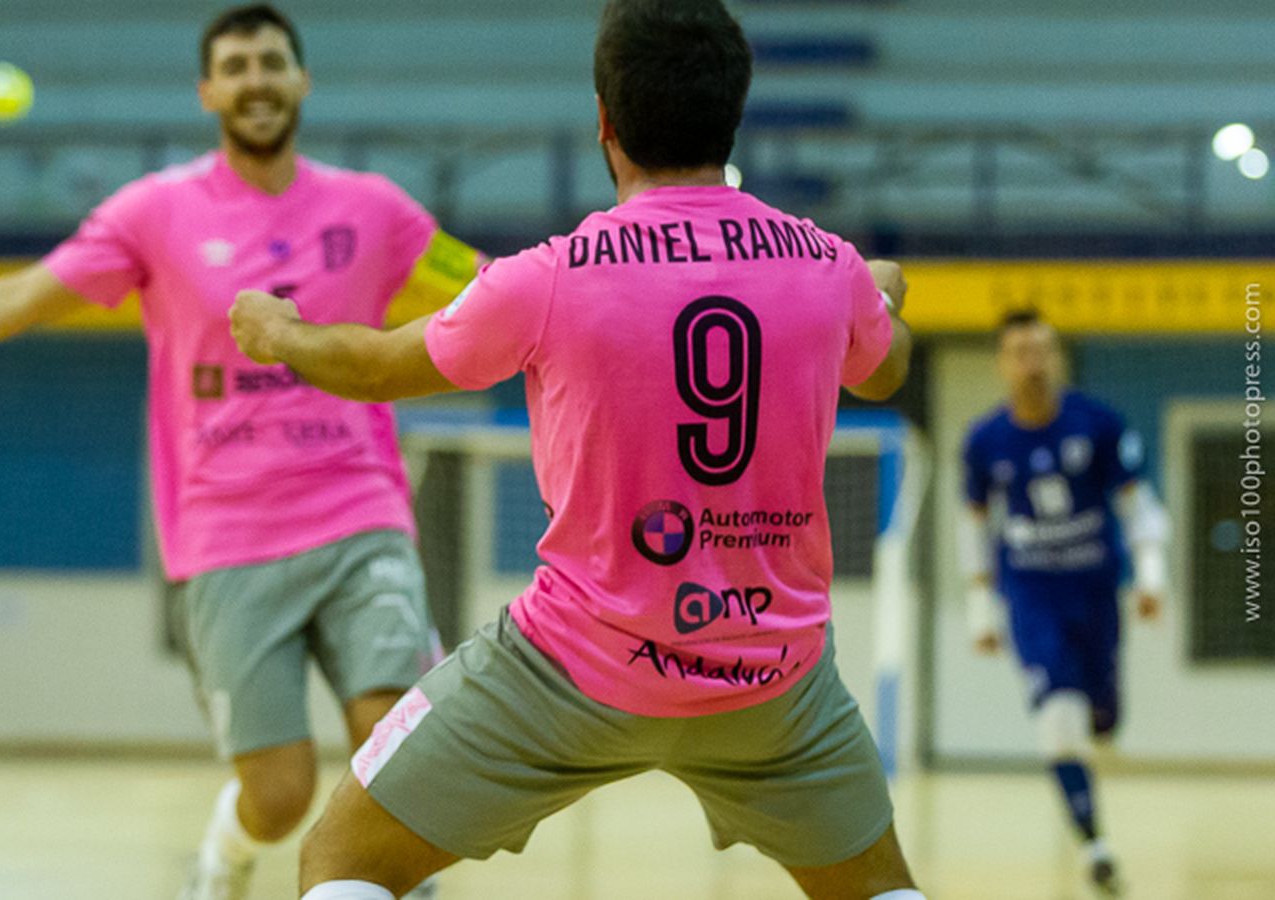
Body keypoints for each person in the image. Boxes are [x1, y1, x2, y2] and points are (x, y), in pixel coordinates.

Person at [0, 5, 479, 899]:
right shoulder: (154, 213)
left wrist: (597, 276)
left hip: (361, 514)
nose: (255, 80)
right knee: (279, 794)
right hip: (227, 537)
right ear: (207, 91)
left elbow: (485, 290)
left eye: (271, 62)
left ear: (301, 80)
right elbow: (16, 299)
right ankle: (225, 857)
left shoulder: (376, 210)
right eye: (236, 66)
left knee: (396, 748)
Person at [226, 2, 927, 897]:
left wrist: (280, 331)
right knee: (882, 887)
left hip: (574, 667)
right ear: (732, 112)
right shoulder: (825, 264)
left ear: (605, 121)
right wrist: (881, 294)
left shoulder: (550, 275)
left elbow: (372, 368)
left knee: (343, 858)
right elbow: (884, 371)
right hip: (775, 682)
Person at [959, 309, 1167, 896]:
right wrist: (979, 603)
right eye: (1020, 352)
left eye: (1042, 351)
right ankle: (1095, 845)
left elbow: (1136, 502)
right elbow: (973, 523)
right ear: (1002, 363)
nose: (1033, 364)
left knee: (1101, 713)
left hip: (1095, 591)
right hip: (1031, 595)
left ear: (1056, 357)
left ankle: (1104, 711)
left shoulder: (1097, 424)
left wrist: (1151, 575)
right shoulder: (985, 440)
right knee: (1057, 717)